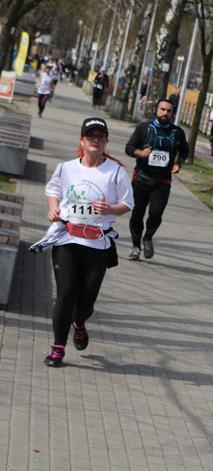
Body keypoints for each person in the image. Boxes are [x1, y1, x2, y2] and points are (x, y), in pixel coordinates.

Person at [37, 117, 133, 367]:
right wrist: (53, 208)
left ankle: (79, 322)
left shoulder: (115, 172)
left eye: (100, 137)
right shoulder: (66, 168)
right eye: (91, 136)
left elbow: (127, 204)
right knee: (66, 292)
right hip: (67, 238)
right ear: (82, 140)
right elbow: (53, 190)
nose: (95, 140)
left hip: (97, 243)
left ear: (106, 142)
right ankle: (58, 348)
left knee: (86, 302)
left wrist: (110, 209)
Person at [125, 96, 189, 260]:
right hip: (141, 179)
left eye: (169, 111)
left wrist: (179, 163)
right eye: (162, 109)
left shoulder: (178, 133)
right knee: (137, 215)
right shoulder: (143, 128)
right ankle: (136, 247)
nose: (165, 113)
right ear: (156, 110)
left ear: (172, 113)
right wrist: (140, 153)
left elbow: (185, 151)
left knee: (155, 214)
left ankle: (148, 237)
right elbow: (129, 147)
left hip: (162, 183)